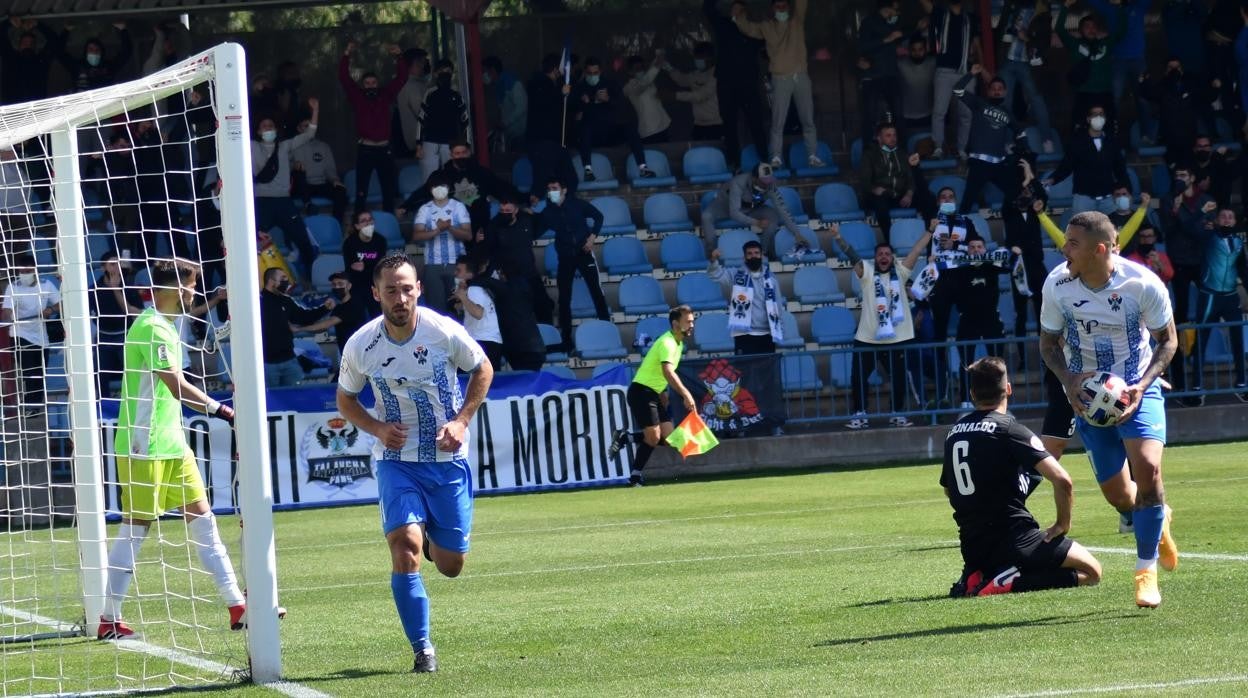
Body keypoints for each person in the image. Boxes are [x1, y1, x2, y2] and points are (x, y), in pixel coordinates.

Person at [335, 253, 493, 673]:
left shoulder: (443, 331)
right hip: (396, 459)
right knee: (403, 546)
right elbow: (345, 400)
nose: (401, 297)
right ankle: (423, 649)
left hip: (446, 459)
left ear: (419, 289)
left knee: (450, 565)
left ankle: (429, 537)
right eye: (391, 290)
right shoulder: (361, 345)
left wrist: (461, 422)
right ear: (376, 294)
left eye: (407, 288)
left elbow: (483, 369)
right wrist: (376, 428)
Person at [1038, 211, 1180, 608]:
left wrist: (1143, 385)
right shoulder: (1058, 284)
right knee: (1120, 496)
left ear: (1100, 249)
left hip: (1137, 389)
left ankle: (1145, 573)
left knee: (1149, 470)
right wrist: (1069, 382)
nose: (1064, 249)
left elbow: (1168, 342)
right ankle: (1158, 520)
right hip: (1087, 399)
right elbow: (1048, 345)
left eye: (1073, 243)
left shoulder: (1142, 284)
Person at [99, 259, 245, 641]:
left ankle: (237, 605)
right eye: (192, 285)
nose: (194, 292)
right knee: (137, 528)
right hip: (143, 443)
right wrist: (223, 409)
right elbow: (176, 386)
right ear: (177, 289)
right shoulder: (151, 328)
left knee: (203, 518)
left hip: (171, 441)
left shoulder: (162, 326)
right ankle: (108, 618)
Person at [942, 356, 1103, 597]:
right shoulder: (1010, 429)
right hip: (1015, 540)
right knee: (1092, 572)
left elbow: (948, 489)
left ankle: (977, 574)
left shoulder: (954, 433)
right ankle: (1008, 581)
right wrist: (1062, 524)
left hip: (972, 545)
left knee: (990, 554)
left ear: (972, 394)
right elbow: (1062, 480)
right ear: (1008, 389)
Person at [831, 222, 931, 428]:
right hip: (867, 337)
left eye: (887, 254)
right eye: (880, 254)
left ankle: (897, 412)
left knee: (899, 378)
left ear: (892, 258)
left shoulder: (901, 273)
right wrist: (838, 238)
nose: (884, 257)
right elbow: (852, 256)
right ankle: (860, 413)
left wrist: (930, 231)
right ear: (875, 258)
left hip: (898, 337)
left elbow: (917, 250)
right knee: (858, 378)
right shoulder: (866, 273)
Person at [607, 305, 698, 486]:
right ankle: (634, 478)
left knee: (669, 438)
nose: (692, 325)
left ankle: (627, 438)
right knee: (653, 437)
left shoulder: (678, 344)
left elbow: (658, 372)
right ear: (675, 323)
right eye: (688, 322)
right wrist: (686, 394)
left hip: (653, 393)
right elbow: (667, 372)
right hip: (641, 391)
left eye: (692, 321)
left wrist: (663, 394)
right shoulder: (668, 343)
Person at [732, 0, 824, 169]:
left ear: (789, 7)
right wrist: (738, 14)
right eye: (778, 6)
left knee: (808, 119)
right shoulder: (766, 26)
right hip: (780, 78)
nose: (781, 9)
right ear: (772, 9)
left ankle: (813, 155)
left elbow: (802, 3)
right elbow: (748, 28)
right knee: (778, 121)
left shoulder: (796, 20)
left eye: (784, 6)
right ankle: (776, 157)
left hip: (801, 76)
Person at [251, 98, 320, 283]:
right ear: (258, 131)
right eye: (264, 126)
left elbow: (309, 134)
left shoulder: (284, 146)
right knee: (251, 242)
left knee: (304, 242)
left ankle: (310, 280)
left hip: (283, 202)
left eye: (270, 126)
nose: (268, 129)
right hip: (261, 202)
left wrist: (315, 110)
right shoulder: (250, 146)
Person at [540, 176, 609, 348]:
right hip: (565, 257)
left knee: (596, 292)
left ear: (564, 190)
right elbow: (535, 228)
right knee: (564, 298)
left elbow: (598, 217)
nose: (551, 192)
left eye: (554, 188)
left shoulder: (577, 204)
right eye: (549, 189)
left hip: (584, 253)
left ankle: (607, 328)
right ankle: (566, 339)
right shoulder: (548, 212)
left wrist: (592, 238)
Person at [339, 42, 407, 215]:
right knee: (361, 191)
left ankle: (388, 223)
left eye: (373, 82)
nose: (370, 85)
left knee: (388, 191)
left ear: (378, 83)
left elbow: (401, 78)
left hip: (384, 149)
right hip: (366, 149)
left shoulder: (386, 95)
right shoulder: (358, 97)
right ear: (363, 85)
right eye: (367, 83)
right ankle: (357, 228)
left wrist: (399, 57)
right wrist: (346, 55)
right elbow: (345, 79)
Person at [702, 0, 768, 166]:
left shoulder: (753, 29)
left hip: (748, 83)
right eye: (734, 8)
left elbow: (770, 44)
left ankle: (765, 160)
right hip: (726, 82)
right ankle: (734, 162)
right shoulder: (724, 25)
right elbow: (709, 9)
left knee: (756, 123)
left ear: (745, 11)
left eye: (739, 8)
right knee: (729, 123)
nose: (736, 11)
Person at [1191, 207, 1248, 400]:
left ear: (1234, 222)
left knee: (1238, 339)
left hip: (1231, 296)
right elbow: (1195, 230)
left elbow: (1243, 270)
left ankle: (1241, 383)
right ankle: (1197, 387)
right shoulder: (1209, 237)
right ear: (1217, 220)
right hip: (1210, 296)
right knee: (1202, 339)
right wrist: (1205, 215)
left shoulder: (1238, 242)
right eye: (1223, 216)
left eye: (1230, 217)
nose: (1226, 219)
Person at [572, 57, 656, 182]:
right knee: (585, 128)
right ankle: (588, 170)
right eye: (589, 73)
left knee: (630, 128)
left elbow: (621, 105)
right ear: (585, 72)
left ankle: (643, 168)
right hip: (593, 135)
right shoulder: (580, 87)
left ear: (600, 72)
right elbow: (574, 112)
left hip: (611, 132)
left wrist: (608, 100)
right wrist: (585, 103)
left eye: (595, 73)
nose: (592, 76)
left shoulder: (610, 83)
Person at [955, 67, 1024, 214]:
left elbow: (1021, 132)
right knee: (967, 203)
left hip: (999, 164)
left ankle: (1016, 231)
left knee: (1017, 195)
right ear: (988, 91)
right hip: (979, 163)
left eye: (1000, 89)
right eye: (993, 89)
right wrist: (971, 74)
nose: (997, 91)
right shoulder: (979, 103)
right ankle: (958, 235)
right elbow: (957, 90)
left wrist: (1021, 148)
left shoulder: (1008, 113)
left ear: (1005, 92)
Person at [483, 191, 554, 325]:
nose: (505, 213)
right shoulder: (494, 225)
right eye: (502, 210)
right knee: (516, 311)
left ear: (516, 209)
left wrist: (534, 214)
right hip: (509, 277)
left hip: (530, 273)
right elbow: (489, 250)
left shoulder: (526, 220)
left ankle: (549, 337)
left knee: (544, 305)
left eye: (508, 210)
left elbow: (544, 222)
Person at [700, 162, 801, 257]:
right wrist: (756, 222)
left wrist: (797, 234)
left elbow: (783, 209)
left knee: (773, 215)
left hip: (751, 208)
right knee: (706, 216)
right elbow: (734, 213)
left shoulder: (770, 186)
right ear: (754, 178)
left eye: (769, 180)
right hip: (723, 206)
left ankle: (763, 252)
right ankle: (712, 252)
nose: (767, 184)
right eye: (764, 181)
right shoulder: (738, 183)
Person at [1043, 104, 1128, 215]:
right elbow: (1066, 165)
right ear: (1088, 119)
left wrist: (1125, 189)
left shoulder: (1112, 141)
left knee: (1112, 231)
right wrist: (1052, 179)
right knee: (1082, 231)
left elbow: (1120, 168)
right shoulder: (1077, 142)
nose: (1098, 117)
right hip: (1084, 199)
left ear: (1105, 118)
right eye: (1095, 114)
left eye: (1101, 114)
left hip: (1108, 199)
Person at [1055, 0, 1126, 133]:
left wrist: (1119, 6)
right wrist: (1066, 7)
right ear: (1080, 30)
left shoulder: (1105, 44)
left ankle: (1109, 151)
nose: (1091, 29)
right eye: (1087, 27)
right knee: (1080, 128)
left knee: (1110, 127)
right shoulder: (1075, 45)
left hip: (1105, 93)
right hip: (1083, 94)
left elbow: (1121, 31)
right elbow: (1059, 29)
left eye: (1093, 27)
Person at [0, 253, 59, 413]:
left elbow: (60, 304)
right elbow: (6, 311)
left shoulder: (46, 285)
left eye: (28, 271)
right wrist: (9, 314)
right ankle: (29, 405)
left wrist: (50, 309)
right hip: (20, 334)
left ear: (35, 270)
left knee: (40, 372)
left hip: (41, 336)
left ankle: (35, 405)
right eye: (22, 272)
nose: (25, 275)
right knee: (29, 372)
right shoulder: (13, 287)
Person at [259, 267, 335, 387]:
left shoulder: (286, 300)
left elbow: (304, 317)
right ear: (271, 281)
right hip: (267, 364)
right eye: (283, 278)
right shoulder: (258, 302)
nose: (286, 281)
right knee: (270, 403)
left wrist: (324, 308)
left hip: (290, 361)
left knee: (294, 399)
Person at [708, 240, 786, 355]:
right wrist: (713, 260)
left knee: (767, 372)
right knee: (746, 372)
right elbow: (715, 275)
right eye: (749, 254)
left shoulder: (771, 279)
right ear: (744, 257)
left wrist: (780, 330)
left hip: (767, 334)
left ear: (761, 256)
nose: (753, 256)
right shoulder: (735, 275)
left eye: (756, 253)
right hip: (743, 335)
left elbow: (778, 306)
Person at [411, 173, 472, 315]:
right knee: (436, 311)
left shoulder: (459, 207)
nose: (439, 189)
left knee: (459, 306)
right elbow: (416, 236)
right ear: (430, 189)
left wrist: (449, 227)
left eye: (442, 186)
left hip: (457, 264)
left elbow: (468, 235)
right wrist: (438, 230)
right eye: (435, 186)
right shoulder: (424, 209)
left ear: (448, 188)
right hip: (432, 264)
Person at [927, 0, 980, 159]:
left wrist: (981, 67)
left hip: (966, 70)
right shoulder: (940, 13)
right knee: (939, 111)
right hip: (944, 70)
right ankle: (938, 147)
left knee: (966, 113)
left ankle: (962, 149)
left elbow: (976, 44)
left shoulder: (970, 18)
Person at [998, 0, 1054, 145]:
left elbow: (1044, 43)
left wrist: (1027, 38)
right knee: (1004, 102)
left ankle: (1046, 140)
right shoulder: (1012, 7)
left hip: (1028, 63)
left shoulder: (1043, 15)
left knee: (1037, 100)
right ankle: (1008, 142)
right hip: (1008, 59)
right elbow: (1000, 29)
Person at [91, 251, 143, 396]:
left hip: (125, 335)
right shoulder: (93, 289)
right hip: (103, 337)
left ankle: (132, 402)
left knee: (133, 373)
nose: (117, 268)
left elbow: (138, 311)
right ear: (103, 268)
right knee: (100, 375)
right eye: (112, 264)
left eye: (119, 264)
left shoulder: (129, 286)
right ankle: (104, 407)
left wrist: (116, 289)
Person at [290, 271, 368, 367]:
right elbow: (321, 326)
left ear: (349, 286)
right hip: (347, 352)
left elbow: (326, 324)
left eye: (340, 284)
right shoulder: (339, 306)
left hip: (359, 354)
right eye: (334, 285)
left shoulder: (353, 304)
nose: (337, 287)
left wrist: (299, 329)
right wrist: (325, 309)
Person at [415, 60, 470, 190]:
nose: (445, 75)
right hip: (430, 143)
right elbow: (421, 119)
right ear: (435, 74)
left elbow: (465, 121)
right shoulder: (429, 94)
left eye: (448, 72)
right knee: (428, 181)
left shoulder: (456, 95)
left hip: (450, 143)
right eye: (442, 72)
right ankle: (428, 206)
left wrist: (467, 145)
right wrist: (418, 144)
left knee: (453, 178)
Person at [857, 0, 905, 145]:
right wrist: (886, 39)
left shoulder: (892, 23)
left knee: (898, 115)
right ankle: (869, 153)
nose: (897, 13)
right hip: (873, 75)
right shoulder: (869, 23)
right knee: (871, 117)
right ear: (887, 9)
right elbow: (862, 46)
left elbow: (902, 36)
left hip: (891, 74)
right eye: (895, 10)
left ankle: (901, 152)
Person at [860, 123, 915, 243]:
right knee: (880, 204)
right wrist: (874, 189)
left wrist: (909, 194)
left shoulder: (901, 153)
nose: (893, 138)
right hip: (880, 195)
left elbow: (910, 177)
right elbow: (864, 181)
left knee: (927, 199)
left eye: (894, 135)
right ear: (879, 138)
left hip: (899, 195)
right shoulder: (870, 154)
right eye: (888, 135)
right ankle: (891, 241)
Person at [290, 116, 348, 223]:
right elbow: (284, 170)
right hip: (301, 186)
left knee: (341, 191)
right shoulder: (291, 146)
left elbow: (329, 169)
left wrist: (334, 180)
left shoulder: (324, 146)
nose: (309, 129)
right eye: (305, 126)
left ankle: (335, 224)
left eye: (311, 126)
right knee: (298, 173)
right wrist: (293, 166)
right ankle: (308, 205)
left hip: (320, 183)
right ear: (299, 129)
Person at [451, 255, 504, 371]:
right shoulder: (479, 288)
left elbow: (478, 313)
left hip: (482, 342)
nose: (455, 274)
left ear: (469, 274)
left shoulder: (474, 289)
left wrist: (463, 297)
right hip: (490, 341)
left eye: (459, 271)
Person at [664, 43, 723, 142]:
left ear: (710, 58)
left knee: (716, 154)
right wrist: (665, 65)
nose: (698, 61)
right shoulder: (695, 74)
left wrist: (674, 95)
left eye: (701, 58)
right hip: (698, 124)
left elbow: (700, 96)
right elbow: (681, 79)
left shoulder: (717, 74)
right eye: (696, 58)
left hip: (716, 124)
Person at [0, 16, 57, 103]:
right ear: (19, 45)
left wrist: (38, 25)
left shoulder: (41, 60)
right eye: (25, 42)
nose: (28, 45)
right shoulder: (11, 58)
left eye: (31, 43)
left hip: (37, 108)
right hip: (11, 109)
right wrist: (8, 23)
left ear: (35, 46)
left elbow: (54, 41)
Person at [342, 210, 389, 317]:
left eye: (370, 219)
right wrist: (371, 265)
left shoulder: (380, 241)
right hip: (357, 285)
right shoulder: (349, 243)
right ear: (357, 226)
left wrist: (365, 266)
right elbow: (352, 268)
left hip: (376, 283)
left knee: (378, 316)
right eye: (364, 221)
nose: (368, 223)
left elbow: (381, 266)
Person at [622, 54, 672, 144]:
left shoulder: (648, 80)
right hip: (649, 131)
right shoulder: (629, 87)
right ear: (630, 72)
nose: (640, 70)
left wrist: (658, 58)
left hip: (663, 126)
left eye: (642, 68)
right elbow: (643, 84)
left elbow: (648, 76)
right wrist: (657, 66)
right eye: (637, 68)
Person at [483, 55, 528, 150]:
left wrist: (505, 122)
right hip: (509, 134)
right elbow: (502, 109)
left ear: (493, 70)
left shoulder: (513, 83)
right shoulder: (497, 86)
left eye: (485, 71)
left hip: (519, 134)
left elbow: (522, 107)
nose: (484, 75)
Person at [898, 34, 936, 135]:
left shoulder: (933, 63)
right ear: (909, 50)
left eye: (920, 49)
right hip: (907, 116)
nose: (917, 53)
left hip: (929, 114)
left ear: (926, 49)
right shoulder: (901, 64)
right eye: (914, 50)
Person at [397, 48, 431, 161]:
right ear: (416, 63)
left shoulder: (417, 84)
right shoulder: (411, 86)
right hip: (418, 146)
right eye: (423, 62)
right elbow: (423, 113)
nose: (425, 65)